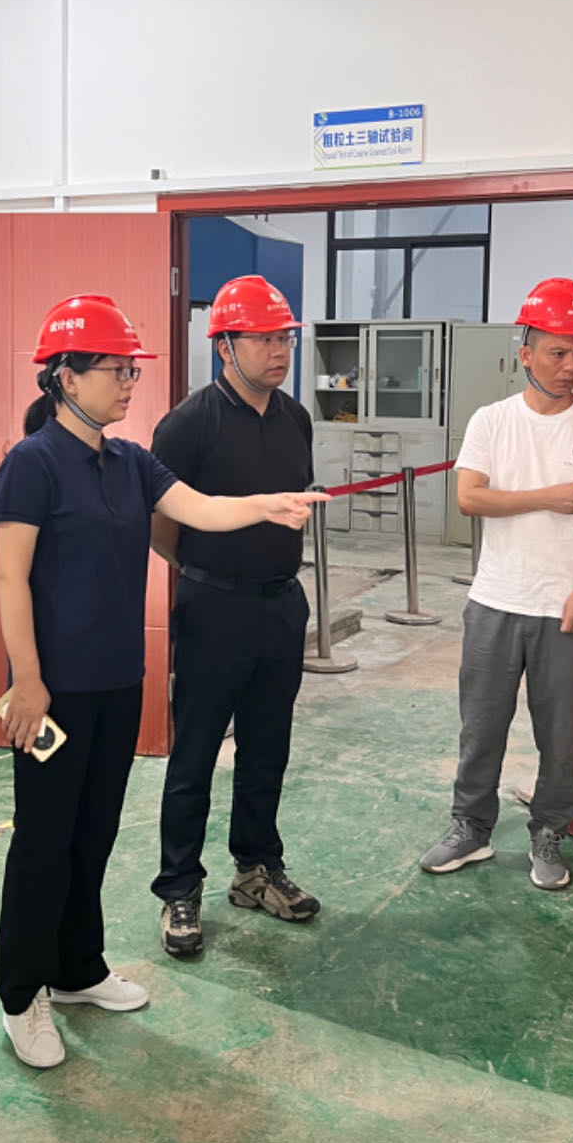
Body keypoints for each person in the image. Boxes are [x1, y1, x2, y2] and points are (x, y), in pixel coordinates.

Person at [0, 292, 322, 1069]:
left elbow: (199, 510)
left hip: (116, 682)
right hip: (52, 693)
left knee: (95, 833)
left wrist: (268, 506)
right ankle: (21, 993)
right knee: (44, 842)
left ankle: (77, 969)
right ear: (65, 376)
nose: (129, 382)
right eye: (115, 369)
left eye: (131, 370)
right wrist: (28, 680)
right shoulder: (30, 465)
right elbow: (10, 579)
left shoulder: (130, 462)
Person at [419, 278, 573, 891]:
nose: (571, 367)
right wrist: (551, 496)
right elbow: (469, 497)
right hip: (494, 601)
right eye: (558, 353)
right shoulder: (492, 421)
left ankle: (549, 833)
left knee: (561, 733)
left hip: (565, 606)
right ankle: (471, 828)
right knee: (480, 726)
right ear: (526, 353)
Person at [148, 275, 319, 959]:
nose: (279, 351)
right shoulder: (189, 424)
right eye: (264, 339)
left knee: (267, 748)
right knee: (194, 754)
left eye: (285, 338)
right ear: (224, 346)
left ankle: (256, 870)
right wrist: (200, 571)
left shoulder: (296, 418)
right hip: (213, 606)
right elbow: (160, 522)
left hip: (281, 604)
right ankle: (179, 888)